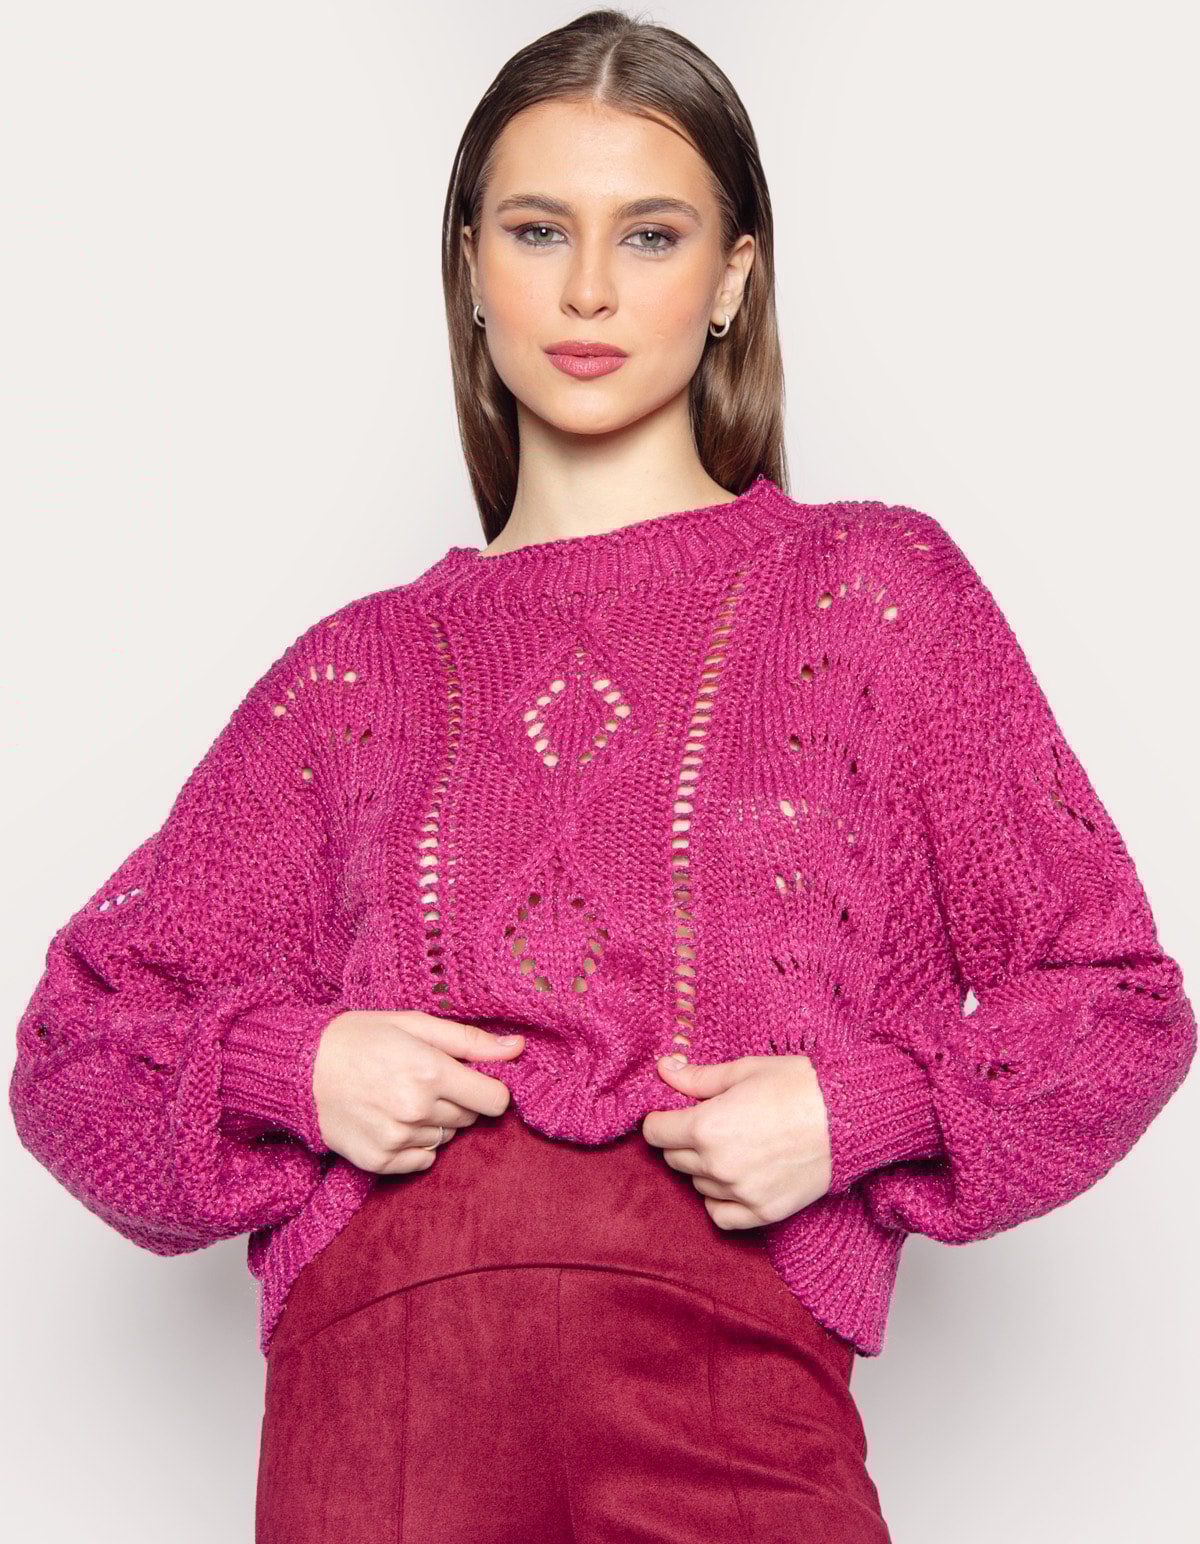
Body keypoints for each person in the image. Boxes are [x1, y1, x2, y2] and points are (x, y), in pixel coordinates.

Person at [9, 10, 1196, 1543]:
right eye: (535, 229)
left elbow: (1113, 1003)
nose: (586, 288)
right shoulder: (354, 675)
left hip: (728, 1398)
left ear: (734, 278)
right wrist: (295, 1071)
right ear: (469, 266)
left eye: (649, 234)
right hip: (380, 1429)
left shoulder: (868, 598)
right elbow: (74, 1050)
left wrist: (858, 1109)